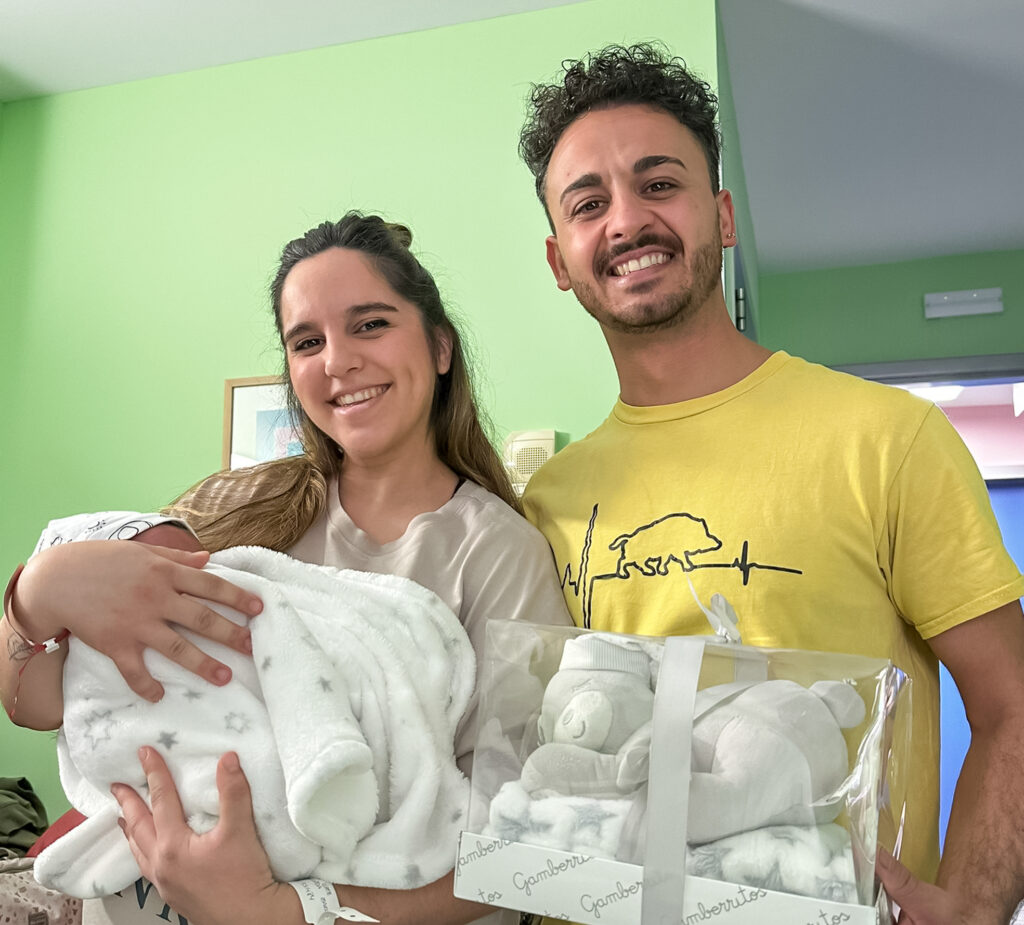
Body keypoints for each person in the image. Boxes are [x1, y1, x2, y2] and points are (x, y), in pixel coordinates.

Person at [516, 43, 1024, 925]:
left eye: (659, 184)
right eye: (589, 203)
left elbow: (1012, 707)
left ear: (722, 215)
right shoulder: (546, 502)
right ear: (561, 258)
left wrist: (977, 910)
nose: (628, 221)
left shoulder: (887, 438)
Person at [0, 212, 572, 925]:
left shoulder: (497, 553)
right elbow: (45, 704)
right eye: (308, 341)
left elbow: (527, 849)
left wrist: (288, 911)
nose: (337, 360)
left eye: (369, 325)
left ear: (441, 345)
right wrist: (36, 594)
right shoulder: (229, 514)